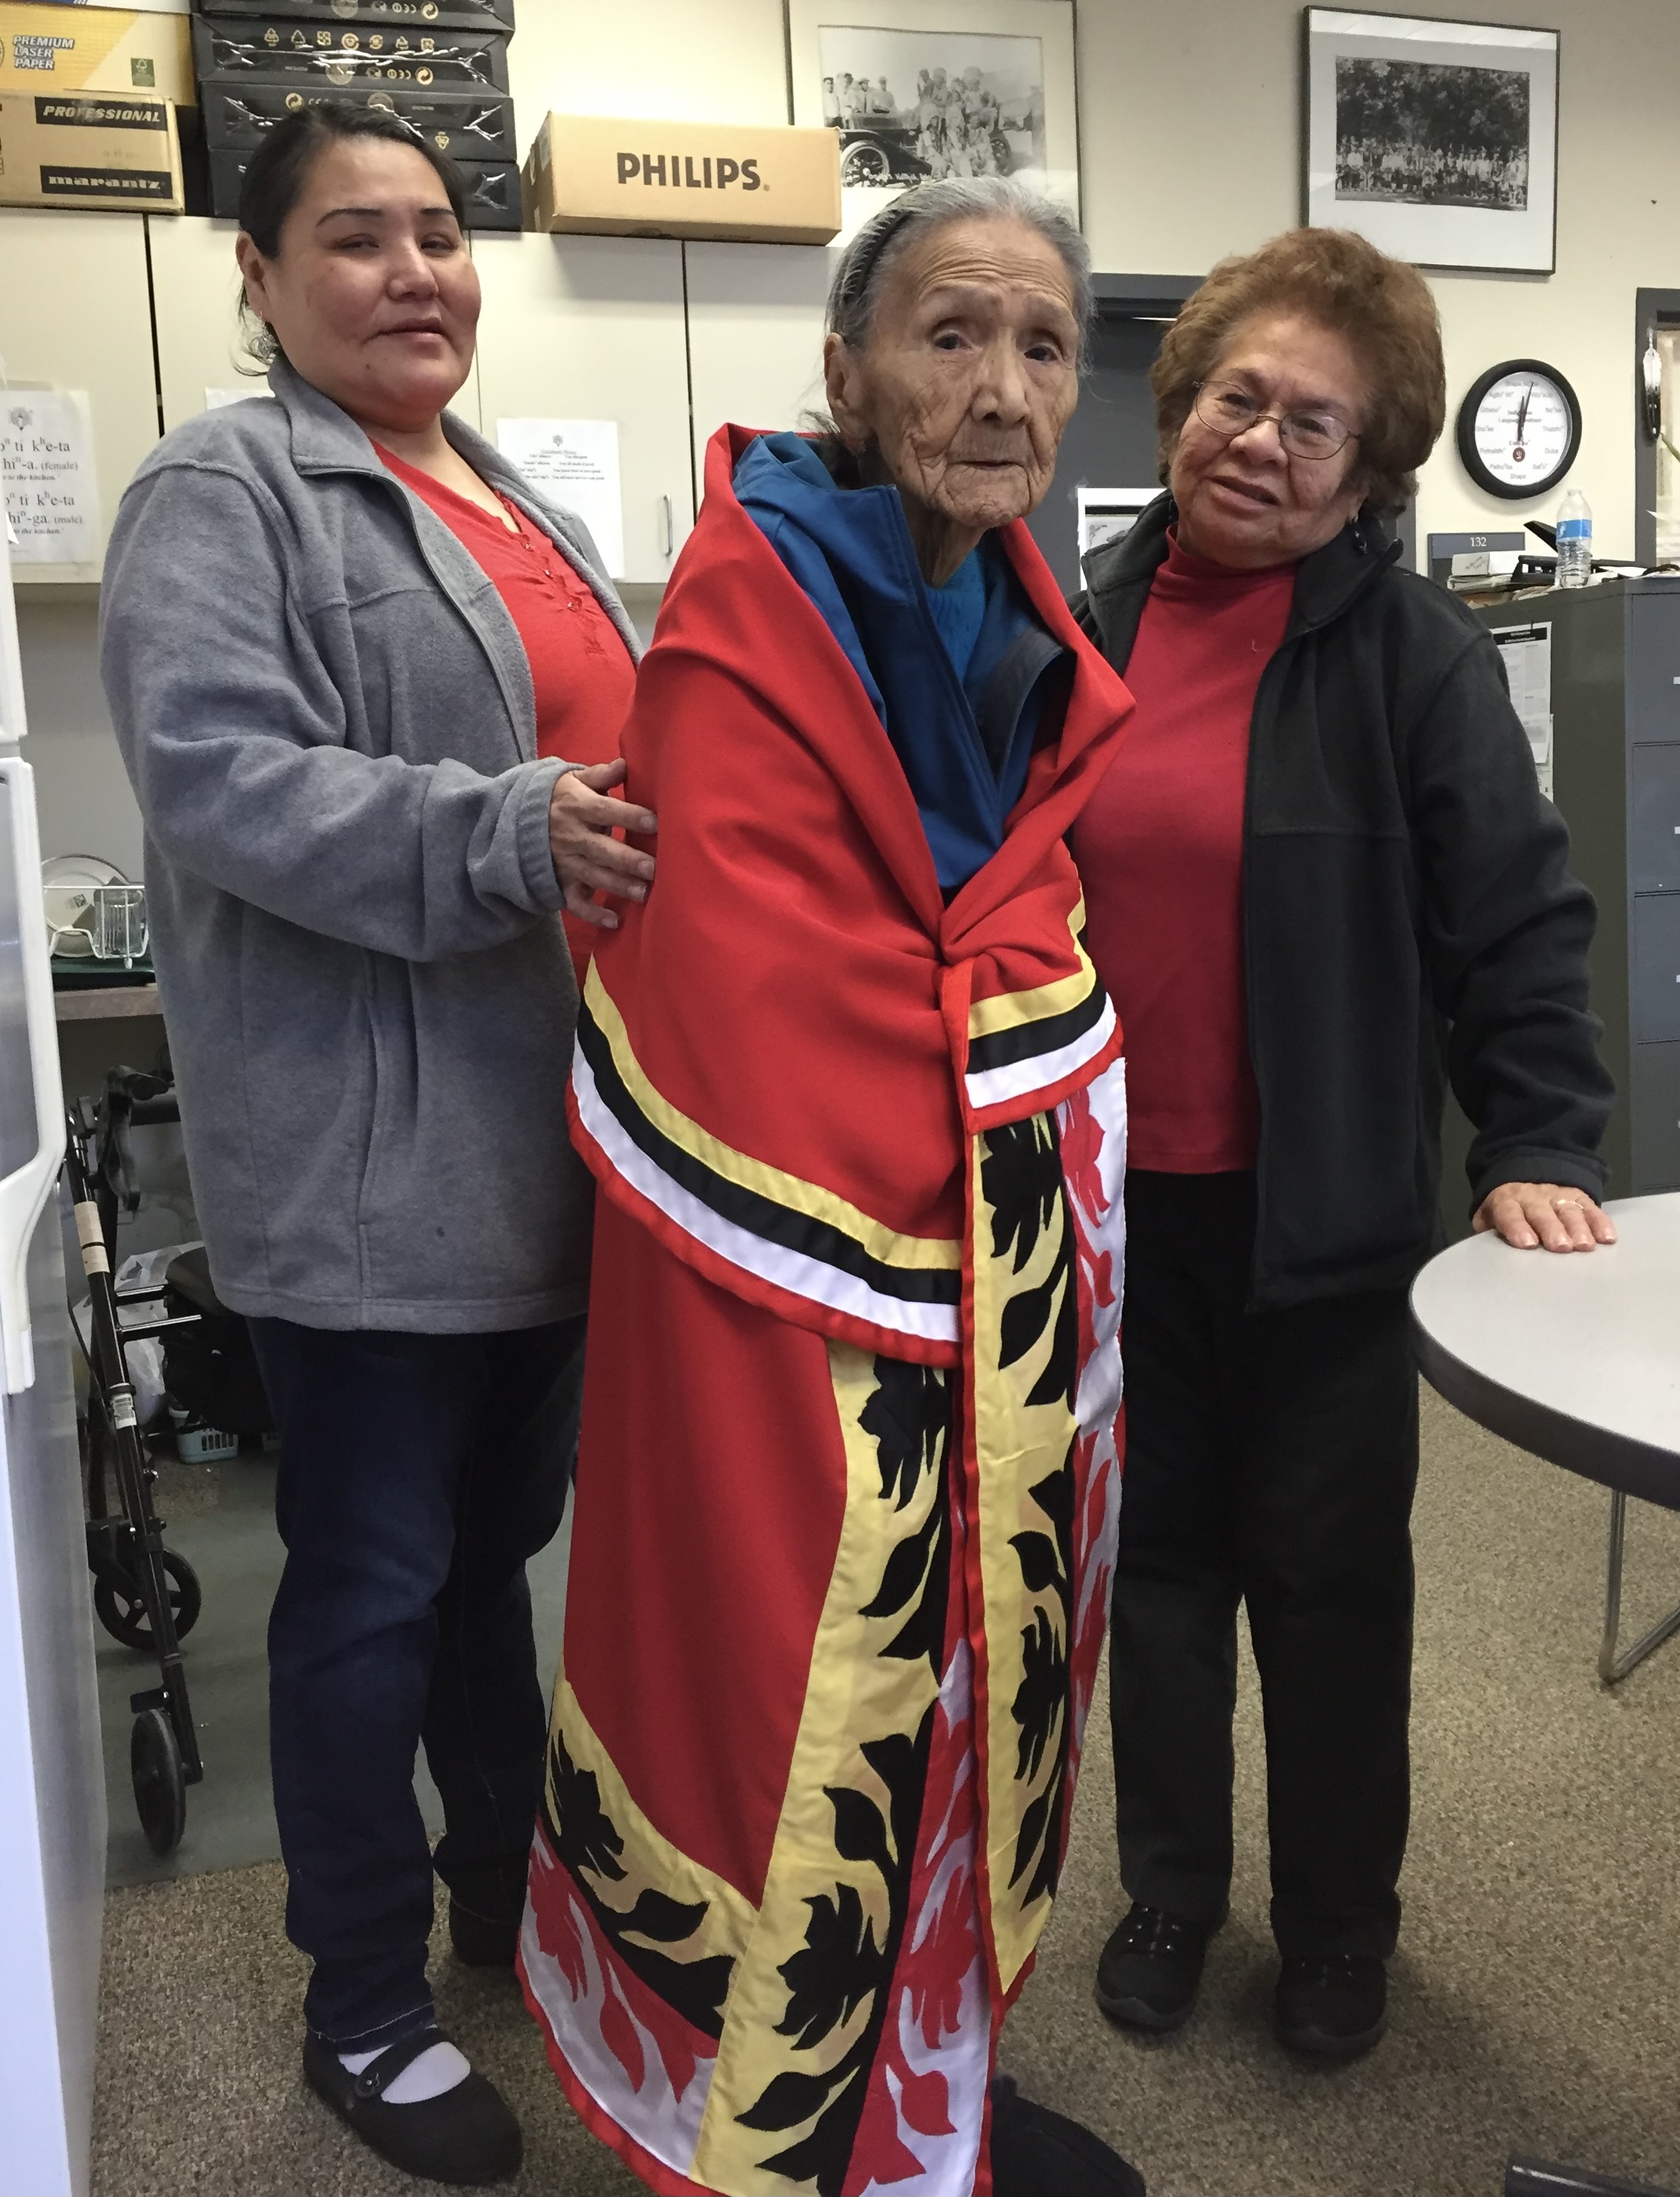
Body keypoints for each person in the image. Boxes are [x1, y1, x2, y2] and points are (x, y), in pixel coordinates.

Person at [519, 177, 1143, 2197]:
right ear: (849, 374)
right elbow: (743, 983)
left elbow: (1013, 933)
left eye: (1044, 345)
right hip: (797, 1302)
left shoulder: (1020, 609)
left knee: (974, 1680)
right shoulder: (743, 615)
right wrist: (987, 1102)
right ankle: (782, 2138)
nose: (1002, 385)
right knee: (804, 1706)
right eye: (951, 333)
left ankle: (938, 2089)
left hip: (984, 1296)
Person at [99, 105, 653, 2188]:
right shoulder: (221, 487)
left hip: (544, 1147)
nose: (416, 270)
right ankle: (362, 2003)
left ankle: (508, 1897)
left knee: (486, 1575)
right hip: (367, 1168)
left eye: (439, 233)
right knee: (365, 1586)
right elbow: (225, 778)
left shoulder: (492, 486)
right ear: (257, 275)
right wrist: (499, 829)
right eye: (355, 238)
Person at [1072, 227, 1615, 2061]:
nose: (1263, 441)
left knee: (1327, 1583)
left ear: (1369, 467)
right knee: (1150, 1576)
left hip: (1321, 1224)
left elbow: (1517, 918)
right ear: (1182, 396)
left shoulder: (1412, 654)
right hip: (1110, 1217)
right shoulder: (1072, 614)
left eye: (1318, 423)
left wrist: (1531, 1131)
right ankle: (1167, 1886)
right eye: (1241, 397)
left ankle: (1334, 1926)